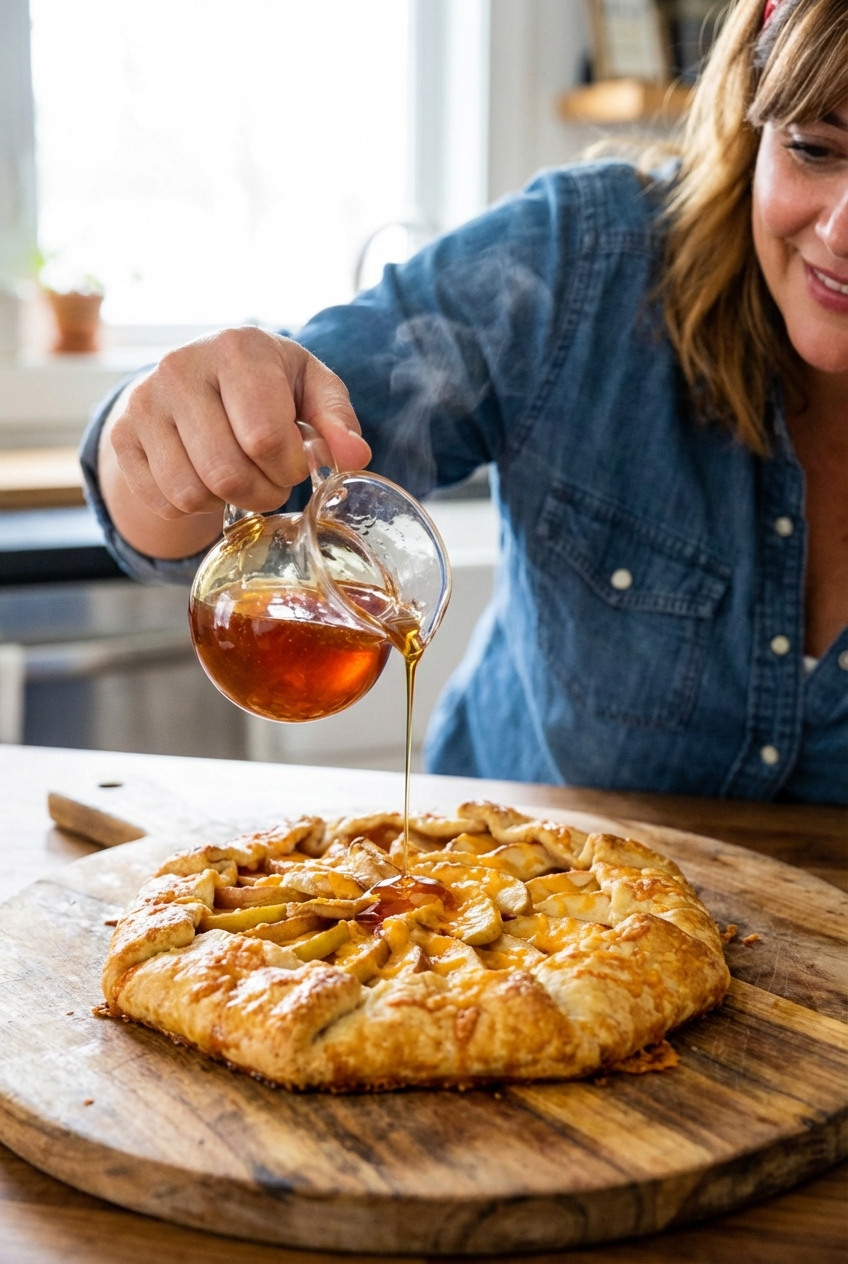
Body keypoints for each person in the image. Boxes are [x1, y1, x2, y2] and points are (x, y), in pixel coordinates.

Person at [81, 0, 847, 803]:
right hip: (502, 904)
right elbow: (184, 516)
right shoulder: (578, 266)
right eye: (812, 148)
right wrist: (169, 430)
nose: (839, 229)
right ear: (753, 123)